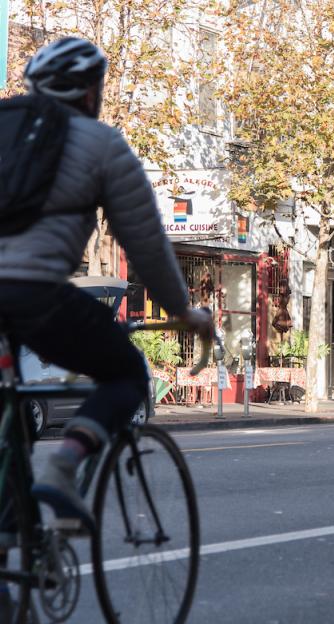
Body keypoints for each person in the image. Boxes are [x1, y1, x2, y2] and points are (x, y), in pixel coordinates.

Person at [0, 37, 213, 536]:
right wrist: (182, 310)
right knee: (126, 374)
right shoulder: (101, 144)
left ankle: (11, 559)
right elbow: (146, 244)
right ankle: (64, 466)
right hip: (35, 296)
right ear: (92, 93)